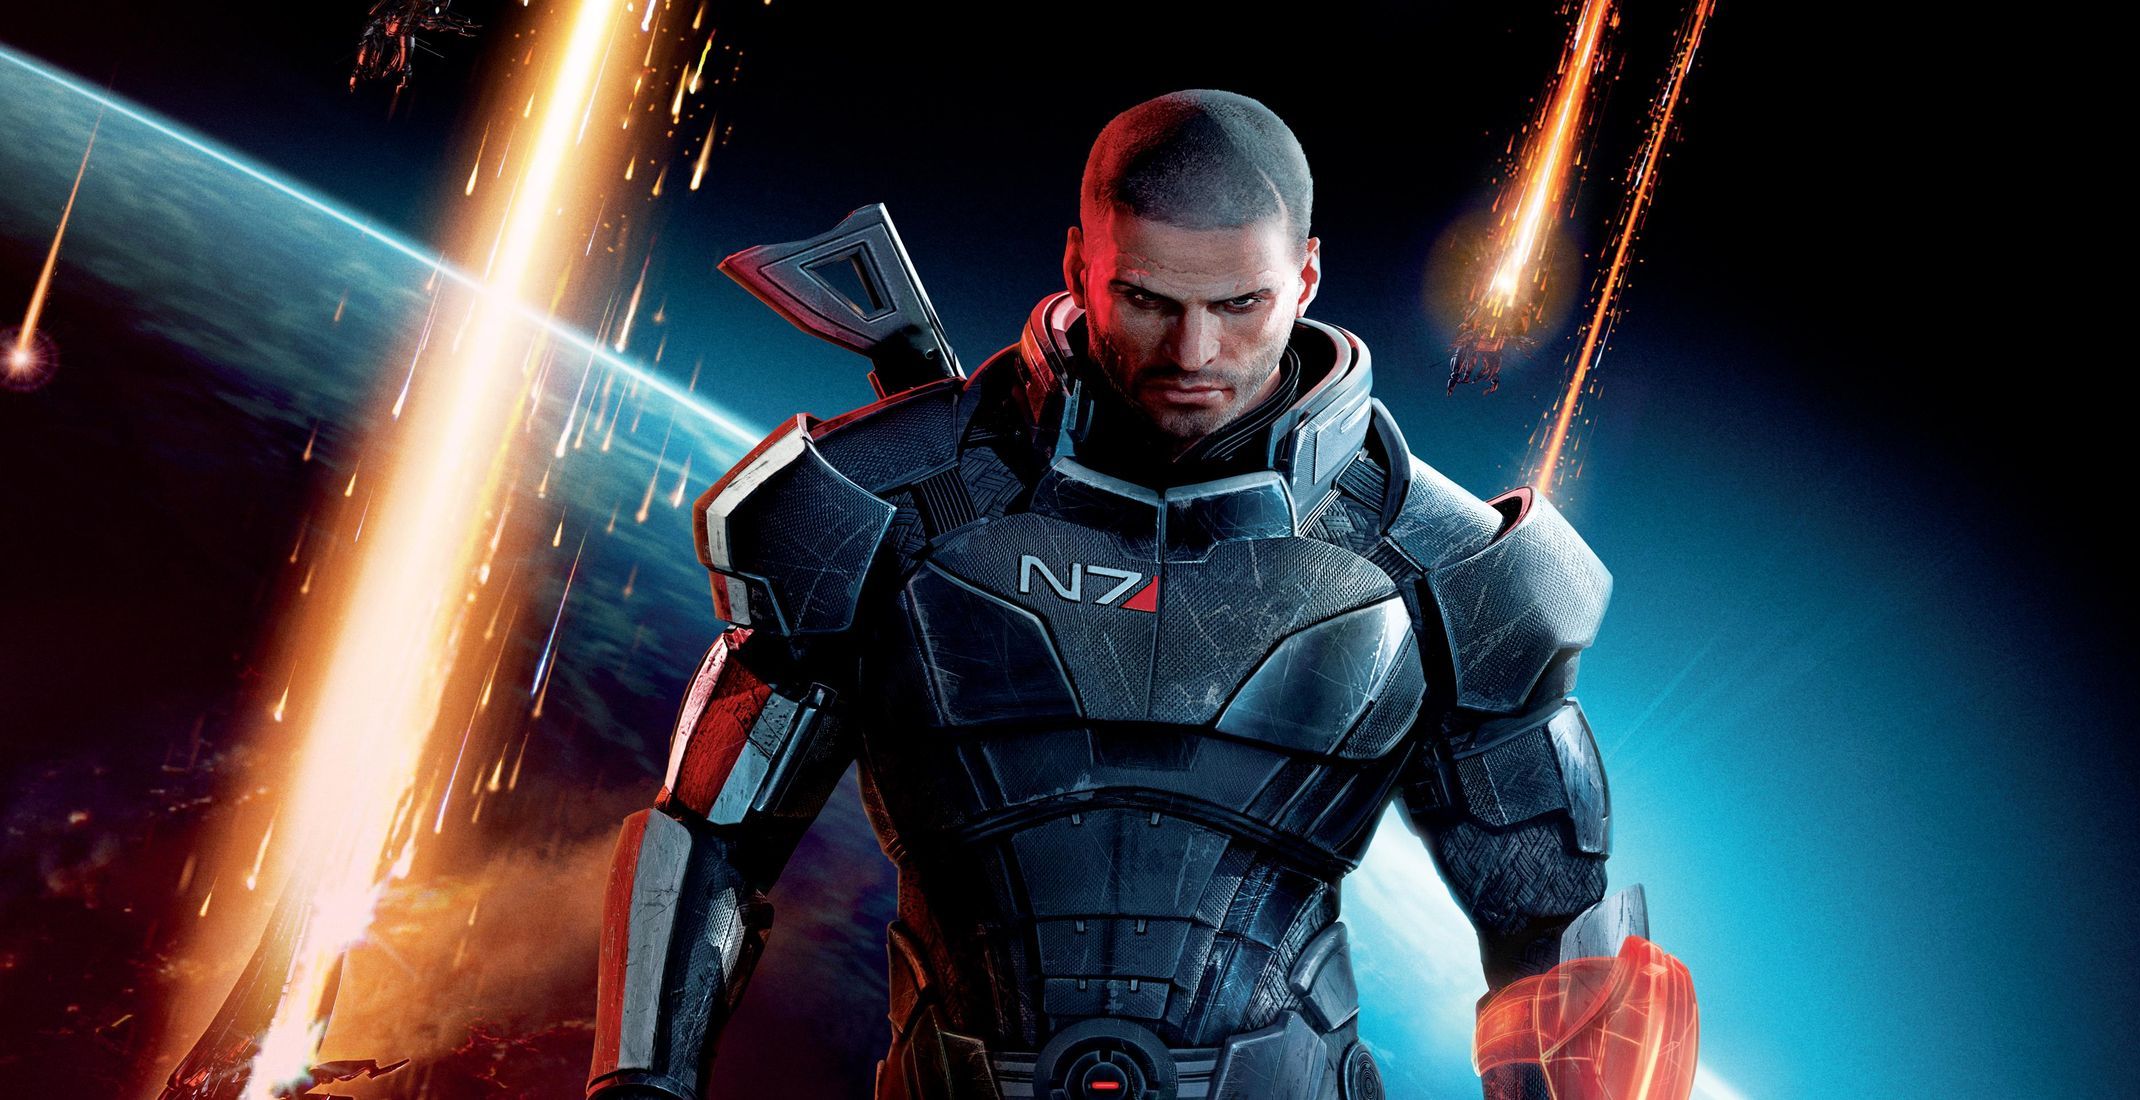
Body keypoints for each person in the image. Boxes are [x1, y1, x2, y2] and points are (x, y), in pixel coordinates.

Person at [587, 90, 1696, 1100]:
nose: (1194, 351)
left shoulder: (1440, 566)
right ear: (1079, 266)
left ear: (1306, 278)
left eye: (1241, 302)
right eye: (1147, 299)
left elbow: (1556, 939)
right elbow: (706, 848)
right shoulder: (882, 505)